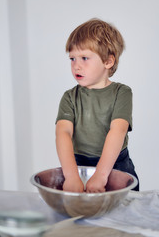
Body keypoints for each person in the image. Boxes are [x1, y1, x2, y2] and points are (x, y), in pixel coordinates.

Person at [55, 18, 139, 193]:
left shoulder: (121, 93)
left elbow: (118, 131)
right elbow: (63, 132)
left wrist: (101, 176)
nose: (76, 65)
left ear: (108, 61)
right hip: (79, 165)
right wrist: (71, 176)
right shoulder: (70, 97)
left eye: (84, 58)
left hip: (116, 164)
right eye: (72, 58)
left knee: (125, 214)